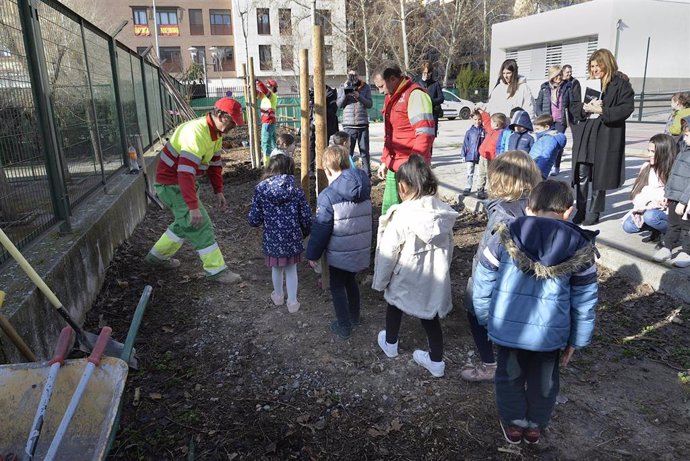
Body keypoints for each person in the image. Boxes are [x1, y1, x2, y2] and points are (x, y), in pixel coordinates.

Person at [472, 179, 599, 445]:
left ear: (528, 208)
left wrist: (485, 319)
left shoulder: (505, 235)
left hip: (508, 328)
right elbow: (585, 299)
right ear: (568, 211)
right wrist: (576, 340)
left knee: (508, 377)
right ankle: (534, 427)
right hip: (550, 335)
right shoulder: (580, 245)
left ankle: (514, 424)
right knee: (544, 382)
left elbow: (483, 281)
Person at [373, 155, 458, 377]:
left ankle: (391, 343)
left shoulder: (401, 215)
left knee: (394, 304)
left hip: (405, 275)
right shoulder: (443, 213)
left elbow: (388, 253)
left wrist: (380, 282)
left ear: (402, 187)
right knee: (430, 317)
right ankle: (436, 361)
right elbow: (449, 249)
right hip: (433, 278)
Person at [461, 151, 542, 382]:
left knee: (474, 313)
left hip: (496, 287)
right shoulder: (537, 209)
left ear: (499, 180)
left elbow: (489, 265)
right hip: (526, 290)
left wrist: (481, 309)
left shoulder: (503, 218)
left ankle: (490, 365)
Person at [144, 97, 244, 284]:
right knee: (200, 224)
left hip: (180, 183)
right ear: (220, 116)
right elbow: (184, 172)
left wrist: (218, 190)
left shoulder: (215, 134)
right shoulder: (196, 133)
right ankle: (217, 271)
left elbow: (214, 165)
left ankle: (155, 258)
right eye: (232, 121)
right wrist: (193, 206)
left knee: (184, 224)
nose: (234, 127)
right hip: (172, 184)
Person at [306, 146, 372, 339]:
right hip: (359, 247)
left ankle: (343, 326)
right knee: (351, 281)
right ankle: (355, 316)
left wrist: (312, 254)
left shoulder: (328, 195)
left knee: (337, 286)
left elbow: (321, 228)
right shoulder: (364, 187)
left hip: (339, 252)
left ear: (327, 170)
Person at [569, 48, 635, 226]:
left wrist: (602, 110)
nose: (594, 70)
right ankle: (580, 209)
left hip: (605, 134)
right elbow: (573, 107)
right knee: (581, 172)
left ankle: (594, 211)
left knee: (600, 174)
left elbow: (627, 108)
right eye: (592, 66)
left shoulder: (621, 84)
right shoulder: (583, 84)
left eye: (598, 66)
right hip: (586, 132)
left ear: (607, 64)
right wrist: (585, 107)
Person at [248, 155, 312, 312]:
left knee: (276, 268)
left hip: (272, 238)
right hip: (292, 237)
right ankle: (292, 302)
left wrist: (254, 221)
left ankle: (278, 296)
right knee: (291, 269)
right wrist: (305, 231)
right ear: (290, 170)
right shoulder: (296, 190)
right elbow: (306, 217)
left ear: (270, 169)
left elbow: (254, 217)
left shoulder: (261, 189)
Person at [373, 62, 435, 215]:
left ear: (392, 79)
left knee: (414, 213)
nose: (379, 91)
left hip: (411, 167)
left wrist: (414, 166)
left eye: (381, 86)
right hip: (395, 164)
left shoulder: (415, 95)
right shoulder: (391, 97)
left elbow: (424, 134)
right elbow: (390, 134)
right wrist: (385, 160)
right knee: (389, 211)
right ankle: (390, 238)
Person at [622, 134, 677, 243]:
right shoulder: (646, 167)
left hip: (668, 212)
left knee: (651, 216)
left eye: (652, 152)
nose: (649, 154)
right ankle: (656, 230)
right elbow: (635, 194)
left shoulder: (674, 170)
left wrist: (651, 195)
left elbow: (668, 197)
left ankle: (671, 234)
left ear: (663, 152)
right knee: (628, 226)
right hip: (647, 207)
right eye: (648, 151)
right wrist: (650, 200)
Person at [653, 117, 690, 267]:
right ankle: (667, 247)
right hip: (675, 196)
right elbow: (674, 174)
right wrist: (667, 194)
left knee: (687, 227)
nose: (684, 138)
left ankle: (687, 252)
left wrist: (683, 201)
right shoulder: (683, 150)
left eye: (687, 135)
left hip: (686, 200)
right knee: (673, 224)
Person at [535, 66, 571, 176]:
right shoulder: (544, 88)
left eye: (560, 74)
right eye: (557, 75)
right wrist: (542, 117)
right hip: (548, 121)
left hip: (560, 121)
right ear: (552, 76)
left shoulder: (567, 87)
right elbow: (538, 105)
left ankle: (556, 166)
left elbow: (571, 103)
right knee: (546, 144)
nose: (559, 77)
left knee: (558, 144)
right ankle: (544, 165)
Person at [337, 68, 373, 176]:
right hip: (349, 125)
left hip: (362, 124)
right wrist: (345, 92)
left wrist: (359, 96)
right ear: (347, 75)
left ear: (359, 75)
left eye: (355, 75)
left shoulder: (365, 87)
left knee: (365, 153)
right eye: (351, 75)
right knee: (348, 153)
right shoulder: (343, 87)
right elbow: (339, 105)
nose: (353, 77)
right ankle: (347, 175)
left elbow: (369, 104)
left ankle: (367, 175)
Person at [477, 109, 508, 199]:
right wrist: (481, 112)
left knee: (492, 175)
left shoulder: (502, 133)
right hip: (483, 156)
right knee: (481, 173)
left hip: (492, 158)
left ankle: (492, 191)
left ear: (497, 124)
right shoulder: (490, 128)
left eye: (492, 122)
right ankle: (480, 189)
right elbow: (486, 120)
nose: (490, 123)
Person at [309, 85, 340, 174]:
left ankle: (323, 167)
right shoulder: (312, 93)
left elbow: (333, 110)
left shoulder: (331, 93)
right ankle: (311, 169)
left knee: (323, 146)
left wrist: (321, 102)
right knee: (311, 145)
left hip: (325, 125)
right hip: (312, 124)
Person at [530, 114, 567, 179]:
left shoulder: (549, 139)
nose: (535, 132)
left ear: (547, 127)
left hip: (537, 173)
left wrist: (537, 171)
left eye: (537, 129)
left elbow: (545, 156)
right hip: (534, 170)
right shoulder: (544, 137)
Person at [417, 61, 445, 139]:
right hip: (420, 118)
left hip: (432, 117)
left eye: (428, 73)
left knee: (430, 141)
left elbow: (441, 98)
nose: (426, 75)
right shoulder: (417, 84)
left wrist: (430, 101)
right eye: (424, 73)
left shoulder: (435, 84)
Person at [461, 110, 485, 196]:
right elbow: (465, 144)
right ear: (472, 119)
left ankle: (480, 189)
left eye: (479, 119)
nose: (477, 121)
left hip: (480, 156)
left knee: (480, 173)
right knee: (469, 172)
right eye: (475, 119)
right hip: (470, 156)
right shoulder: (469, 132)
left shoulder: (484, 131)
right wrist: (463, 154)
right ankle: (468, 187)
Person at [256, 79, 278, 164]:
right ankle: (275, 162)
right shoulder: (264, 97)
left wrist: (258, 82)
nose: (267, 88)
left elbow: (264, 90)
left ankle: (267, 163)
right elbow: (257, 93)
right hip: (269, 123)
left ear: (272, 88)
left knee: (265, 144)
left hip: (268, 123)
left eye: (268, 86)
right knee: (272, 143)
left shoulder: (272, 96)